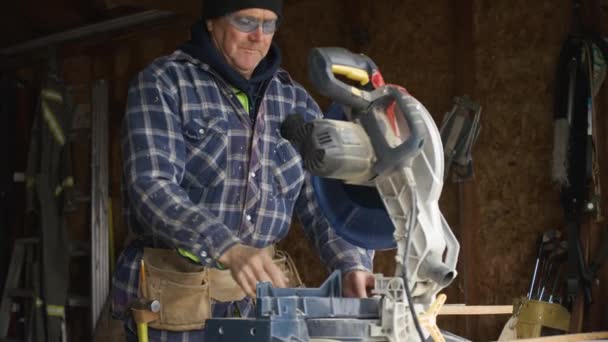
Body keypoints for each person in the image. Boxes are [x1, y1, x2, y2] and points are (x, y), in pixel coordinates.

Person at [111, 0, 375, 340]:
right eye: (246, 21)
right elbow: (151, 187)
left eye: (269, 24)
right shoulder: (164, 83)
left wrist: (351, 264)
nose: (258, 37)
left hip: (260, 302)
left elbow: (322, 202)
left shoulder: (294, 102)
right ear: (211, 21)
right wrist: (228, 248)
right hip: (175, 299)